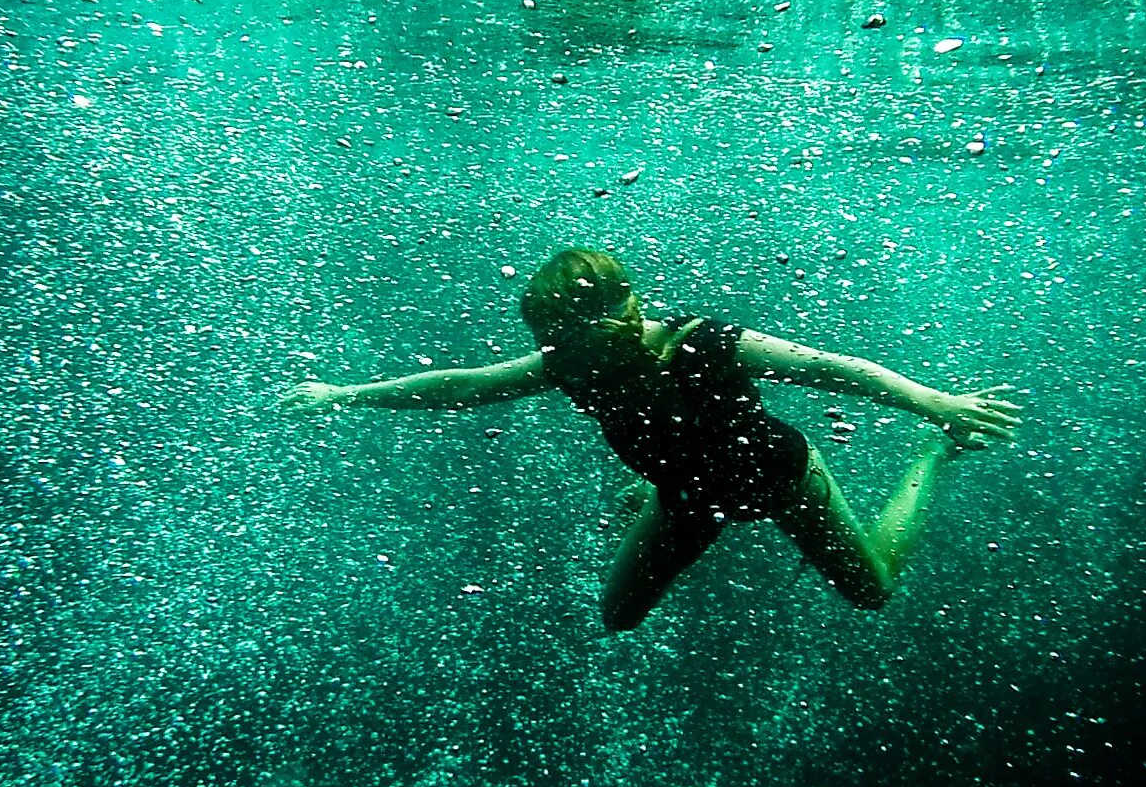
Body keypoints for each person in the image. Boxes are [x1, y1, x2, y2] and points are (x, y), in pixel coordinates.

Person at [286, 247, 1022, 631]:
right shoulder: (566, 366)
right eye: (557, 342)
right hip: (685, 500)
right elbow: (457, 385)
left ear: (625, 308)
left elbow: (836, 370)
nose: (573, 357)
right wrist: (342, 393)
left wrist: (935, 406)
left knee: (872, 591)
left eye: (583, 336)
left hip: (781, 478)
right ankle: (648, 490)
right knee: (618, 616)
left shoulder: (701, 341)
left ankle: (932, 464)